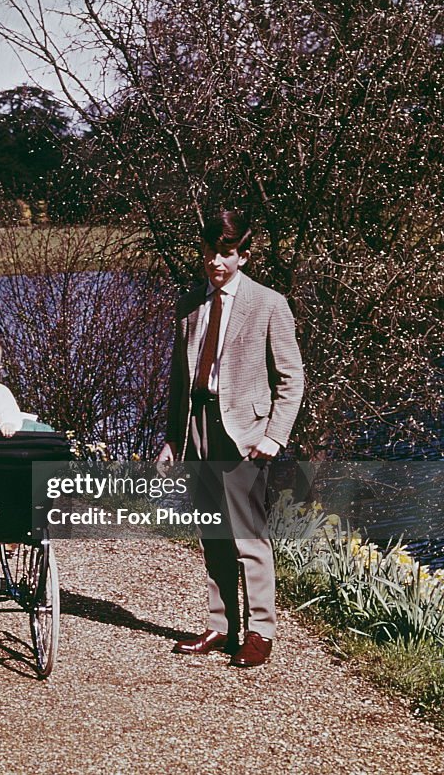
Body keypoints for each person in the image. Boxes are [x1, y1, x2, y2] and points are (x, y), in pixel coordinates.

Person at [157, 209, 304, 668]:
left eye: (225, 253)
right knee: (212, 533)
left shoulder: (269, 304)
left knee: (248, 535)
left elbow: (291, 379)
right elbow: (179, 382)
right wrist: (172, 439)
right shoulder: (189, 305)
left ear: (243, 255)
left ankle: (261, 632)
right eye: (208, 253)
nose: (215, 262)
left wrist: (274, 437)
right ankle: (221, 627)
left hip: (244, 434)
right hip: (197, 427)